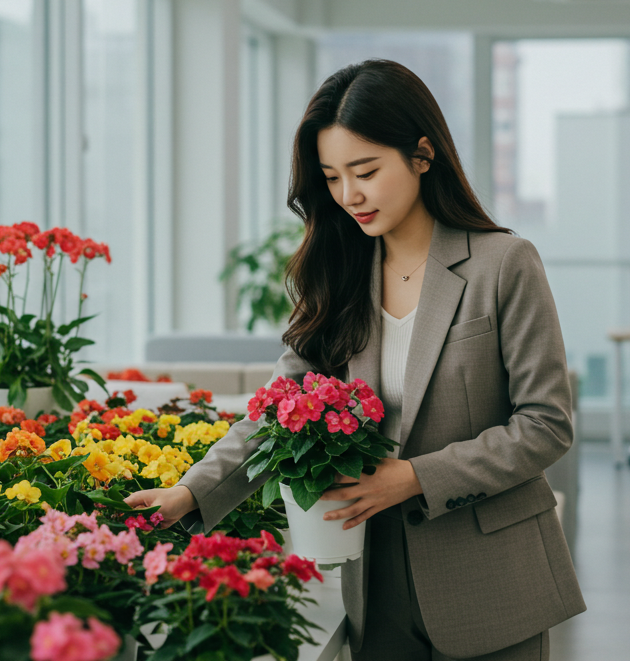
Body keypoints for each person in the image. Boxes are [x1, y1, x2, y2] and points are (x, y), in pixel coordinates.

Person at [125, 59, 584, 660]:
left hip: (490, 582)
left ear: (423, 155)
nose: (349, 196)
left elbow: (545, 425)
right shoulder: (340, 276)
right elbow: (276, 412)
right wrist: (191, 492)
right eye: (332, 177)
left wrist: (415, 476)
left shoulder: (503, 264)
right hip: (377, 581)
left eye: (365, 171)